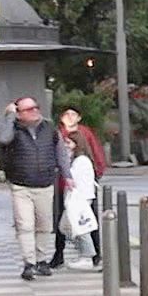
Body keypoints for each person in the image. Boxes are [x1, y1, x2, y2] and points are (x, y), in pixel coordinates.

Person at [3, 95, 70, 282]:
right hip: (20, 184)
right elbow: (2, 139)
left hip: (45, 183)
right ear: (18, 114)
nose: (34, 111)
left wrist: (68, 176)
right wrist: (9, 117)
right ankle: (29, 263)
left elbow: (61, 153)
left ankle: (41, 260)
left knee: (44, 225)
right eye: (28, 109)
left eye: (35, 107)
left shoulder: (49, 127)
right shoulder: (13, 129)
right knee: (25, 225)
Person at [49, 107, 107, 269]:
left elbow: (96, 152)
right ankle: (59, 253)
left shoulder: (85, 133)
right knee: (62, 220)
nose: (69, 117)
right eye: (66, 114)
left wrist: (98, 172)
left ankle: (94, 254)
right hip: (62, 184)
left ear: (79, 117)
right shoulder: (57, 133)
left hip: (82, 187)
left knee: (87, 220)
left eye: (73, 114)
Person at [59, 134, 100, 271]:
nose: (66, 146)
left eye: (69, 143)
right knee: (66, 226)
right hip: (76, 197)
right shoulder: (76, 159)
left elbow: (73, 178)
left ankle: (87, 256)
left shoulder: (81, 161)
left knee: (80, 227)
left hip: (79, 198)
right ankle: (83, 253)